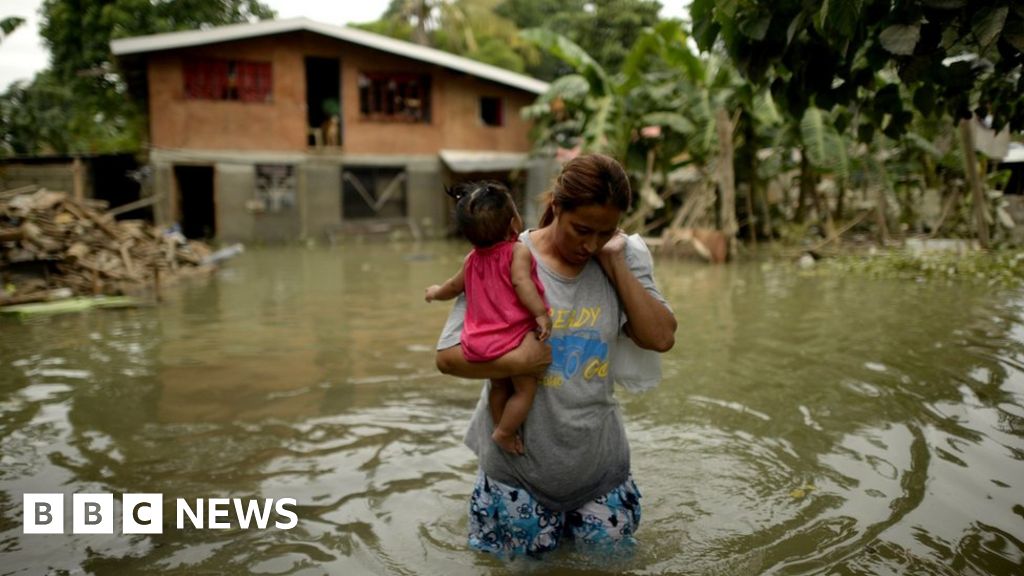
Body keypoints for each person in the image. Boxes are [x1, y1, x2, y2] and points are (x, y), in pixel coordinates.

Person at [434, 153, 677, 558]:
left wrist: (615, 262)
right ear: (557, 207)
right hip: (518, 473)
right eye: (582, 230)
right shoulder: (506, 255)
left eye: (605, 232)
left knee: (609, 566)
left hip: (599, 468)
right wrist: (518, 363)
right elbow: (448, 357)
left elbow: (661, 337)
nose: (590, 244)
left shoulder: (622, 256)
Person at [425, 181, 552, 455]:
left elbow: (452, 287)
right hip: (512, 339)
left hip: (479, 342)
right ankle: (505, 432)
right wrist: (540, 313)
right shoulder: (517, 251)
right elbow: (521, 283)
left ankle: (498, 425)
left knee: (498, 387)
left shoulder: (471, 260)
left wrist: (435, 293)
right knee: (524, 390)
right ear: (514, 224)